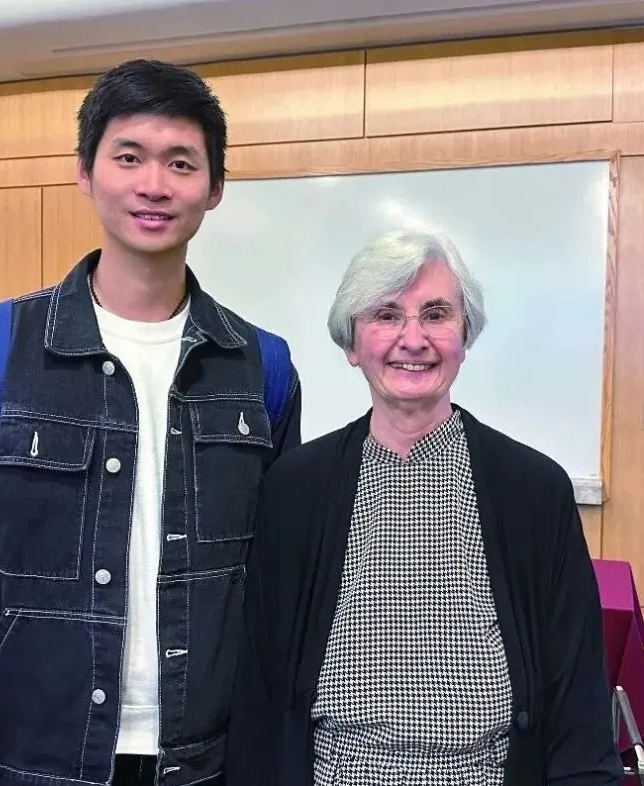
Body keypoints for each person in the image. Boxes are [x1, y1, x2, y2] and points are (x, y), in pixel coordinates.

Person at [0, 59, 301, 786]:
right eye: (129, 157)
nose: (154, 184)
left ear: (214, 188)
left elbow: (275, 601)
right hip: (33, 764)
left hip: (207, 763)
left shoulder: (260, 369)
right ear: (85, 172)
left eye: (182, 163)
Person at [225, 229, 622, 786]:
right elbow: (259, 697)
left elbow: (578, 702)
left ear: (465, 335)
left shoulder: (535, 491)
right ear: (351, 344)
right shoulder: (294, 490)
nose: (413, 339)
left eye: (436, 314)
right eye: (386, 315)